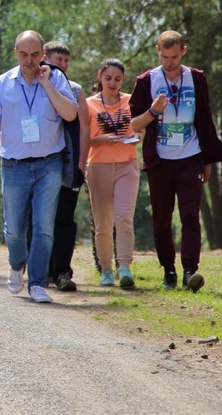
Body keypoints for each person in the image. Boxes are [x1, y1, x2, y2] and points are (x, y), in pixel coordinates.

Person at [0, 30, 78, 303]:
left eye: (35, 55)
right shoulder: (2, 84)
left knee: (44, 227)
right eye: (23, 54)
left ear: (43, 54)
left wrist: (47, 85)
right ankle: (16, 265)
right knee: (14, 228)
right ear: (15, 53)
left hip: (49, 164)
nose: (29, 60)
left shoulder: (56, 78)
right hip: (14, 165)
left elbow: (70, 113)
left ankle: (36, 283)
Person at [130, 30, 222, 292]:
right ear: (158, 51)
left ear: (183, 51)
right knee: (162, 219)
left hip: (190, 157)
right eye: (164, 56)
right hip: (159, 161)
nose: (169, 62)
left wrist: (207, 161)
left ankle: (190, 271)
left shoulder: (196, 78)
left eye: (174, 57)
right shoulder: (146, 81)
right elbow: (134, 124)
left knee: (190, 216)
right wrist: (153, 111)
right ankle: (169, 271)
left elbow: (204, 119)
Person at [86, 58, 141, 288]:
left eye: (118, 79)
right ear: (100, 76)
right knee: (103, 223)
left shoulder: (130, 101)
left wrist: (137, 137)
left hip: (127, 164)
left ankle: (125, 267)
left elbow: (140, 127)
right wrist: (101, 139)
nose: (112, 83)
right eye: (108, 78)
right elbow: (83, 139)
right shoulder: (88, 104)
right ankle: (106, 269)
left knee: (124, 216)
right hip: (98, 166)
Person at [42, 41, 90, 292]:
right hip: (39, 164)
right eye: (57, 60)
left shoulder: (75, 89)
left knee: (63, 219)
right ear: (44, 58)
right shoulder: (35, 85)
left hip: (68, 167)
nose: (62, 64)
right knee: (39, 219)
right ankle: (40, 270)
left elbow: (84, 129)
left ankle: (62, 271)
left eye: (66, 61)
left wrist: (82, 165)